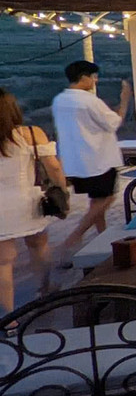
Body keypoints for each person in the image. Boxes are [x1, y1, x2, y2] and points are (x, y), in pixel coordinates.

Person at [51, 60, 131, 260]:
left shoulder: (60, 100)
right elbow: (113, 122)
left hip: (75, 161)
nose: (95, 80)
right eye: (94, 76)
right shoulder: (89, 101)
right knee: (107, 198)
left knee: (96, 202)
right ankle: (73, 238)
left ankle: (103, 239)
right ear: (84, 77)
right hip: (98, 159)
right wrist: (125, 100)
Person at [0, 89, 68, 322]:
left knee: (4, 261)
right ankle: (44, 290)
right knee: (39, 245)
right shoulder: (30, 133)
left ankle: (9, 318)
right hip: (26, 202)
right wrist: (62, 190)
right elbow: (54, 168)